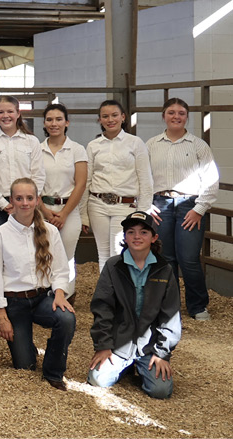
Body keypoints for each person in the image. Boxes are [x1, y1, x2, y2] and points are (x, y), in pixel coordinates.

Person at [0, 178, 75, 391]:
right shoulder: (0, 234)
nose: (24, 203)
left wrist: (60, 293)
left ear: (37, 200)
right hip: (14, 303)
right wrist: (2, 316)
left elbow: (61, 269)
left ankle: (53, 371)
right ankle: (27, 348)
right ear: (11, 201)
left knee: (66, 318)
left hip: (41, 299)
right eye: (19, 198)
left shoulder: (50, 231)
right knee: (24, 366)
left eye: (29, 198)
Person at [87, 211, 180, 399]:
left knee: (160, 391)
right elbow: (102, 308)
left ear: (154, 238)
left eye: (144, 232)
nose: (137, 237)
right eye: (131, 232)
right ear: (124, 237)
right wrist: (104, 345)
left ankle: (141, 365)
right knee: (98, 381)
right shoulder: (113, 266)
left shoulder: (165, 270)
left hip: (149, 347)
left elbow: (170, 315)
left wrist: (161, 353)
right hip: (118, 345)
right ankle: (125, 366)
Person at [147, 98, 219, 321]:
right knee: (166, 258)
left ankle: (198, 306)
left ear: (187, 116)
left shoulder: (197, 145)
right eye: (171, 112)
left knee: (188, 258)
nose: (176, 116)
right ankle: (170, 306)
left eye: (181, 113)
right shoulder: (151, 144)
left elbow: (211, 178)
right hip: (160, 205)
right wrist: (147, 204)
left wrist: (200, 208)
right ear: (163, 116)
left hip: (190, 205)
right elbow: (142, 176)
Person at [0, 95, 46, 281]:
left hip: (25, 206)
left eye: (10, 111)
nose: (5, 115)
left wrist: (26, 202)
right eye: (1, 112)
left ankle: (24, 288)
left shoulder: (31, 141)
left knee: (24, 248)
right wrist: (2, 203)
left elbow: (38, 175)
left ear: (18, 114)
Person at [86, 99, 154, 272]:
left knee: (117, 252)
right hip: (97, 204)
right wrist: (83, 215)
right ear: (99, 120)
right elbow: (86, 180)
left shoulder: (135, 143)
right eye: (105, 116)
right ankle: (106, 295)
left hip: (125, 205)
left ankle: (119, 295)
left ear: (123, 117)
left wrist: (143, 212)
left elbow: (145, 179)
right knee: (102, 253)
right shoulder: (93, 146)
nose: (110, 120)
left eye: (114, 115)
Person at [40, 103, 88, 300]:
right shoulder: (37, 149)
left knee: (66, 256)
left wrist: (65, 213)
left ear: (66, 122)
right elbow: (32, 183)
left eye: (59, 119)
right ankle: (44, 296)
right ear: (44, 123)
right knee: (44, 253)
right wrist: (44, 211)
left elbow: (81, 183)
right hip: (43, 208)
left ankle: (66, 297)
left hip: (69, 209)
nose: (54, 123)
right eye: (50, 119)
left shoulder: (76, 149)